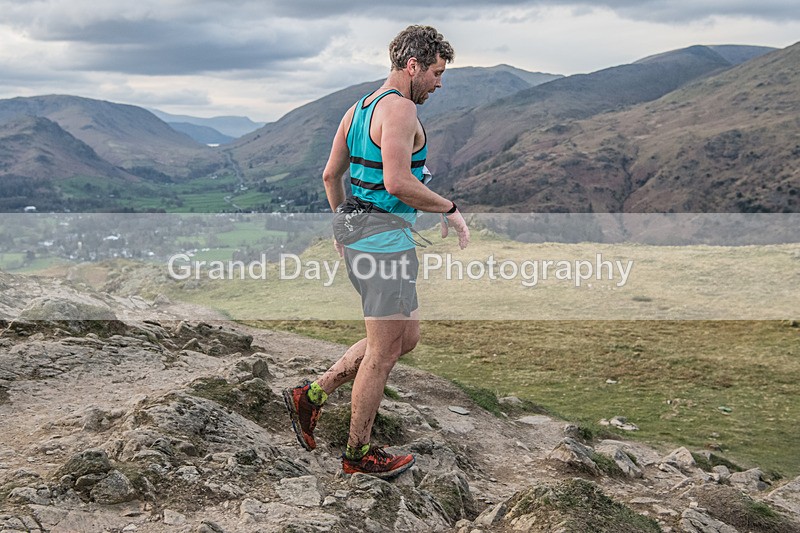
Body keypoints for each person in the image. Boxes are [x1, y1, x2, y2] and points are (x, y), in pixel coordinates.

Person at [283, 25, 470, 479]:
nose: (439, 84)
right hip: (384, 248)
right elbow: (397, 182)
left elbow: (330, 176)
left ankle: (311, 395)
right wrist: (449, 208)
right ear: (413, 66)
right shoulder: (401, 109)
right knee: (384, 353)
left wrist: (341, 225)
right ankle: (357, 455)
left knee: (405, 338)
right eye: (437, 73)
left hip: (364, 240)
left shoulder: (358, 109)